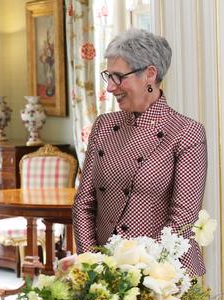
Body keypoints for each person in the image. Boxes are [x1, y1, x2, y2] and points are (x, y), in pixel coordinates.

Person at [72, 29, 207, 276]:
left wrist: (144, 275)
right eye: (108, 76)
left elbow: (183, 219)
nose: (111, 88)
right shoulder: (103, 125)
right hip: (105, 275)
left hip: (164, 277)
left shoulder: (186, 132)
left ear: (150, 74)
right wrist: (93, 263)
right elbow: (84, 203)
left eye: (118, 77)